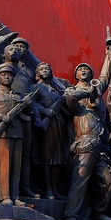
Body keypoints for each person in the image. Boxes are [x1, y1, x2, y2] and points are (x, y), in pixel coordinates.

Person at [64, 55, 111, 220]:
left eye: (87, 69)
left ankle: (99, 213)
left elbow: (105, 77)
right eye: (80, 69)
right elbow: (69, 99)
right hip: (84, 145)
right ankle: (71, 216)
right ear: (76, 75)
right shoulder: (79, 108)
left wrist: (109, 54)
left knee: (108, 181)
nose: (84, 70)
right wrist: (86, 92)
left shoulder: (97, 93)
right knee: (79, 181)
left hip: (100, 147)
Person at [0, 64, 33, 205]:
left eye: (10, 75)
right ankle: (5, 197)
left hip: (18, 133)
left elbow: (26, 117)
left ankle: (15, 196)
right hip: (2, 133)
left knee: (16, 167)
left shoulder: (18, 95)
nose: (7, 76)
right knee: (4, 166)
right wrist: (1, 117)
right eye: (4, 74)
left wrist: (26, 104)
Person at [31, 62, 72, 199]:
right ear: (37, 75)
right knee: (47, 158)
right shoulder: (35, 87)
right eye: (42, 69)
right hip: (45, 125)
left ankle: (55, 190)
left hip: (58, 125)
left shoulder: (56, 90)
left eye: (48, 68)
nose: (45, 70)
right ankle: (48, 190)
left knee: (57, 159)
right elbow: (31, 102)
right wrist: (46, 111)